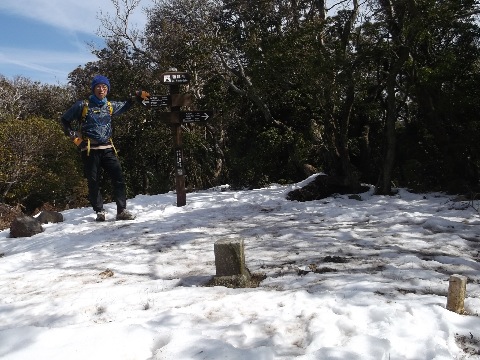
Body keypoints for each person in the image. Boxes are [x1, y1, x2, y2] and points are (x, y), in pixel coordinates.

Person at [61, 75, 149, 221]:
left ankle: (121, 210)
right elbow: (64, 120)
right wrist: (76, 140)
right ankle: (99, 211)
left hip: (108, 148)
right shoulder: (83, 105)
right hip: (90, 149)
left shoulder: (110, 106)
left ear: (107, 89)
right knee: (94, 181)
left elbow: (127, 105)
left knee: (119, 178)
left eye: (104, 87)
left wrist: (139, 94)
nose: (101, 89)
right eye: (98, 86)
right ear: (93, 88)